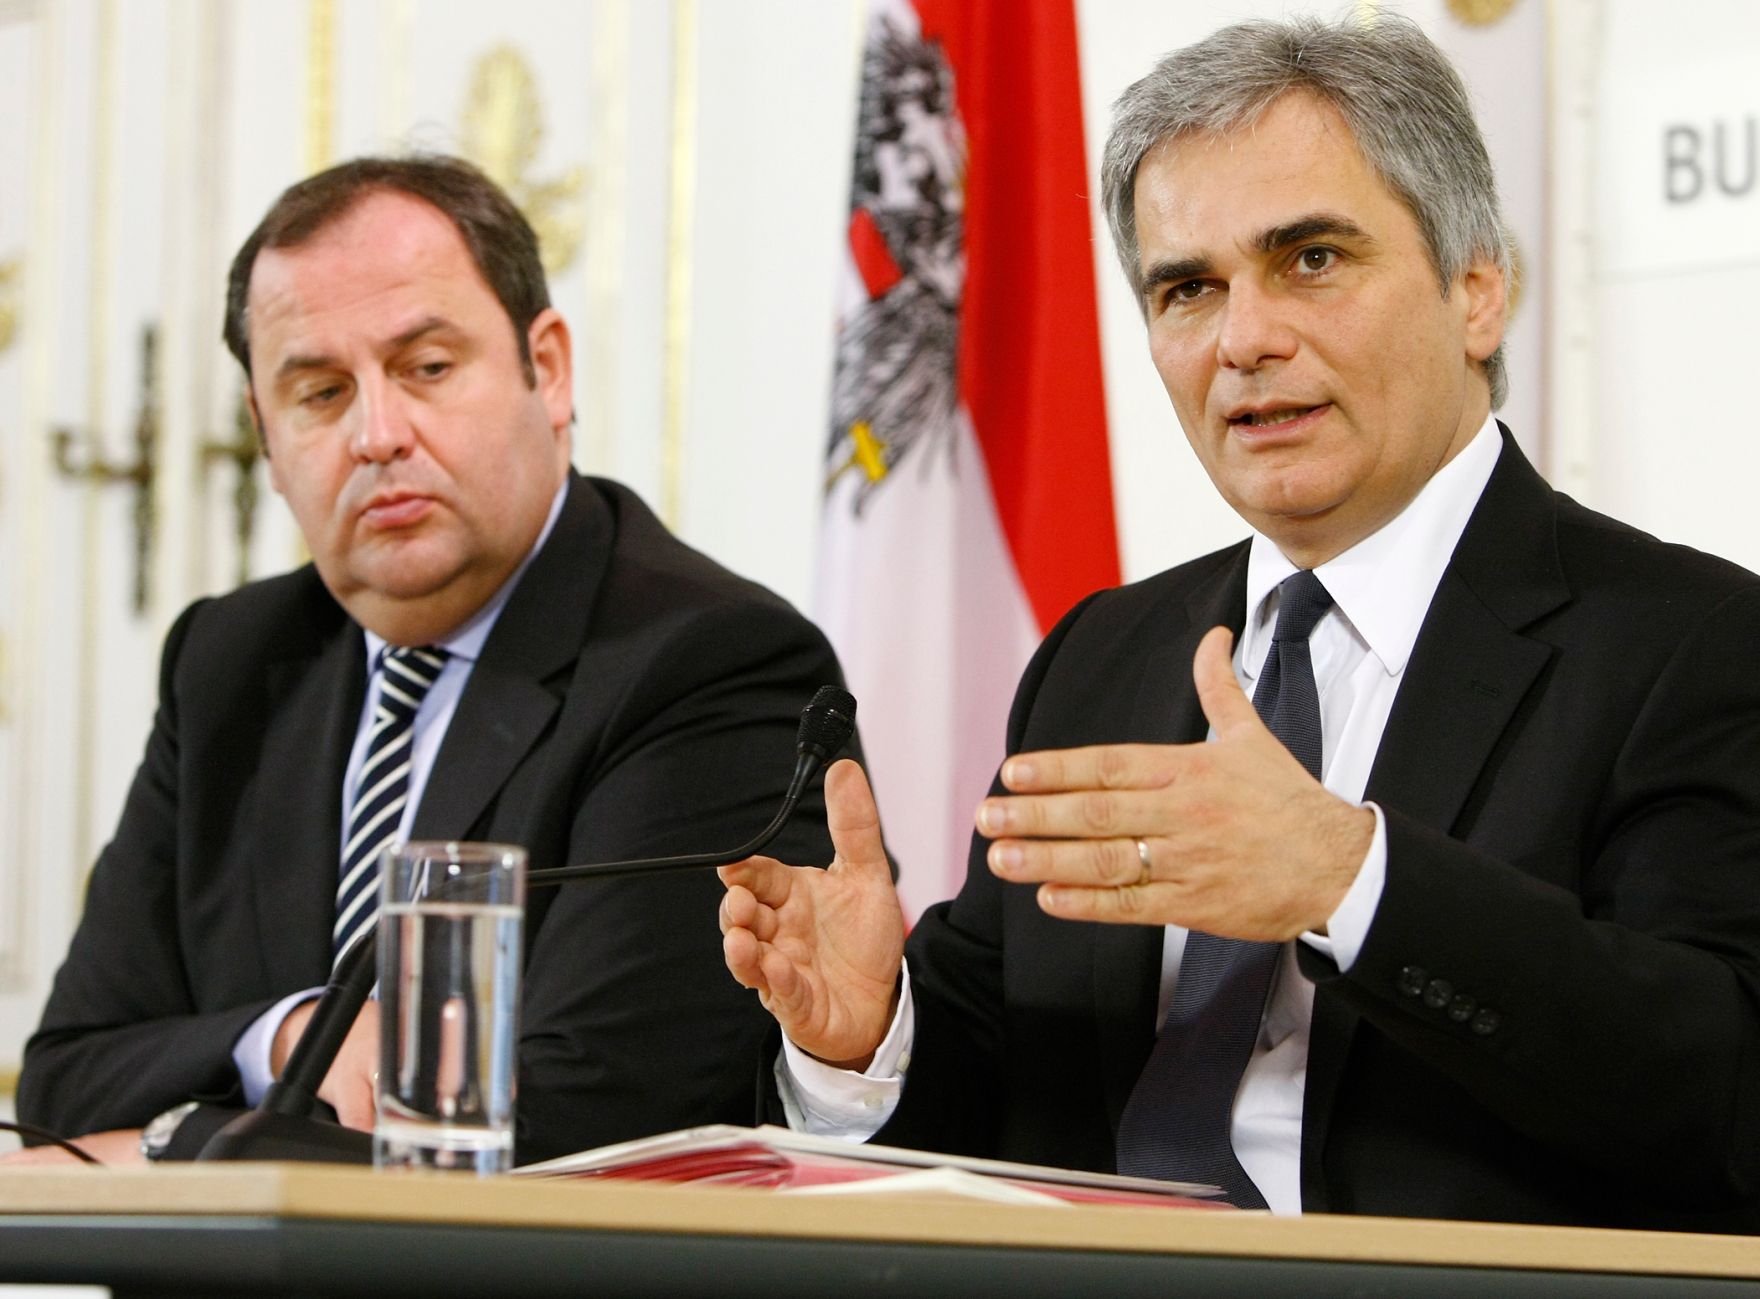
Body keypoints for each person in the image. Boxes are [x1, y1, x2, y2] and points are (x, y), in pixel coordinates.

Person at [719, 14, 1760, 1231]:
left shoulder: (1687, 644)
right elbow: (1001, 1110)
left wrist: (1347, 879)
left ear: (1477, 289)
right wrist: (868, 1036)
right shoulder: (1100, 657)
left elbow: (1724, 1092)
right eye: (1187, 288)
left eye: (1310, 259)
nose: (1243, 339)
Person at [11, 155, 850, 1166]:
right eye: (320, 392)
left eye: (427, 368)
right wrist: (289, 1040)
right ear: (265, 440)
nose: (377, 435)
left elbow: (584, 1120)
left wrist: (181, 1138)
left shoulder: (705, 663)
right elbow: (65, 1074)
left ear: (548, 370)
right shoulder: (229, 661)